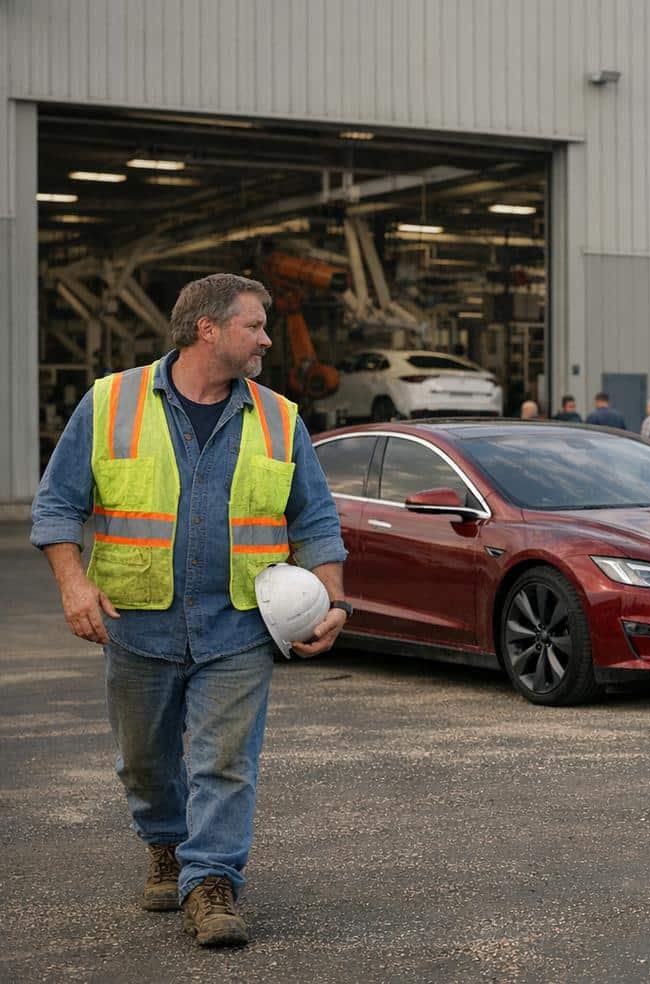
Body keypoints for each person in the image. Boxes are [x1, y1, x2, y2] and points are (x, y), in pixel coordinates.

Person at [30, 273, 349, 947]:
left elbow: (315, 519)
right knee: (144, 762)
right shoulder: (110, 402)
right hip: (136, 621)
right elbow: (58, 504)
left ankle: (212, 881)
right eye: (254, 325)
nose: (267, 337)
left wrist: (335, 598)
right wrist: (73, 583)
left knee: (224, 762)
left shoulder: (279, 417)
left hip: (238, 626)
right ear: (208, 329)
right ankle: (165, 843)